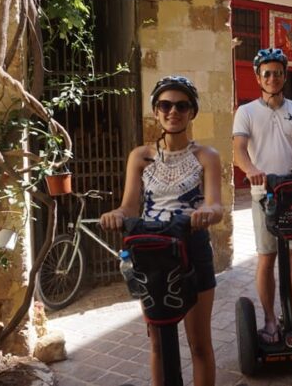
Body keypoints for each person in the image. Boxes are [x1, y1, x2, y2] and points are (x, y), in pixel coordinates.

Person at [100, 76, 221, 386]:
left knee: (199, 345)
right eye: (165, 105)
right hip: (152, 253)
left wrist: (207, 212)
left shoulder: (206, 156)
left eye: (182, 106)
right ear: (156, 111)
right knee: (157, 343)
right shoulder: (140, 156)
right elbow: (129, 207)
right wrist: (116, 214)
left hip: (191, 248)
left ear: (192, 112)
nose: (173, 111)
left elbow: (215, 204)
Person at [232, 47, 292, 344]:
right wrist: (252, 169)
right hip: (263, 194)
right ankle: (270, 320)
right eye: (266, 73)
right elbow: (238, 150)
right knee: (266, 258)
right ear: (258, 76)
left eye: (277, 73)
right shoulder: (246, 112)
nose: (272, 78)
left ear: (284, 76)